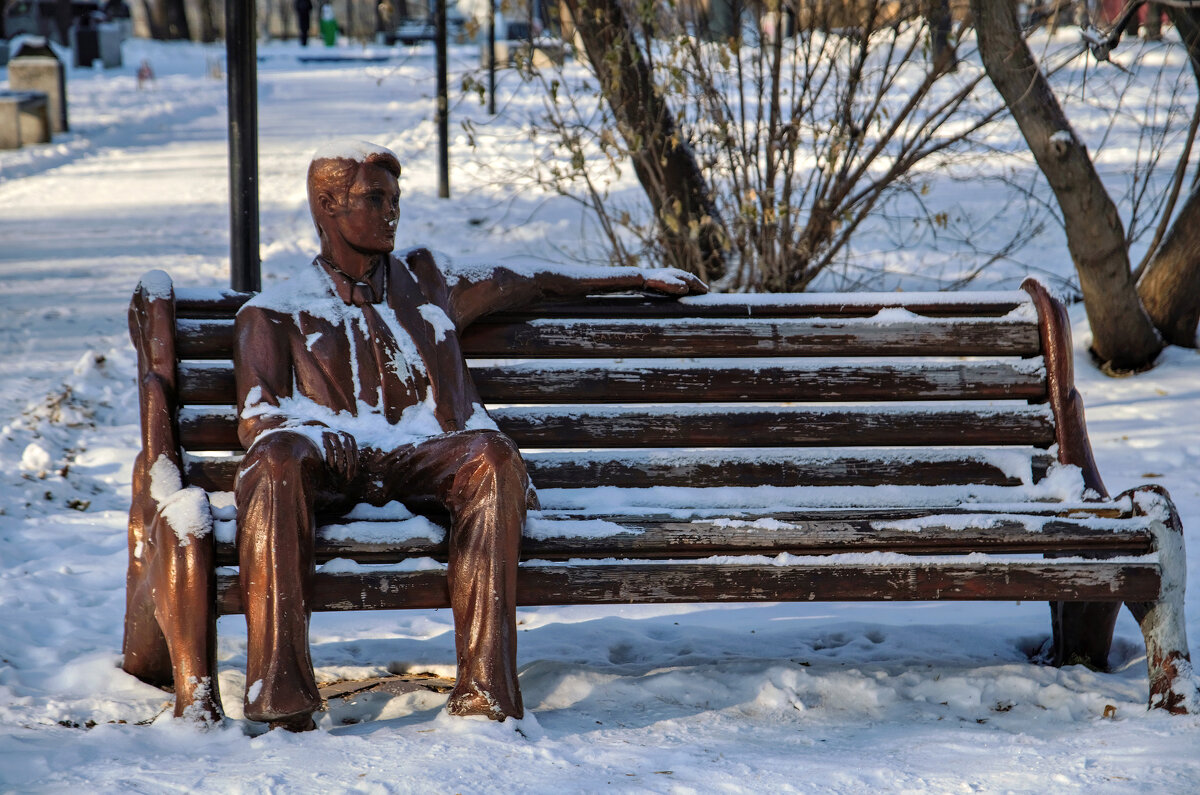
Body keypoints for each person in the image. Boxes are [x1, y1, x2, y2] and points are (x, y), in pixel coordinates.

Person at [231, 141, 706, 730]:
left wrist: (629, 275)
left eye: (395, 199)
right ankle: (283, 697)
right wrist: (309, 433)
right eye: (374, 199)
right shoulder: (273, 312)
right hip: (334, 458)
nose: (391, 212)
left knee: (492, 457)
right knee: (274, 459)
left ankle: (485, 692)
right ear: (327, 204)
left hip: (423, 452)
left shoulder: (430, 280)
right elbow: (258, 417)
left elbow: (528, 277)